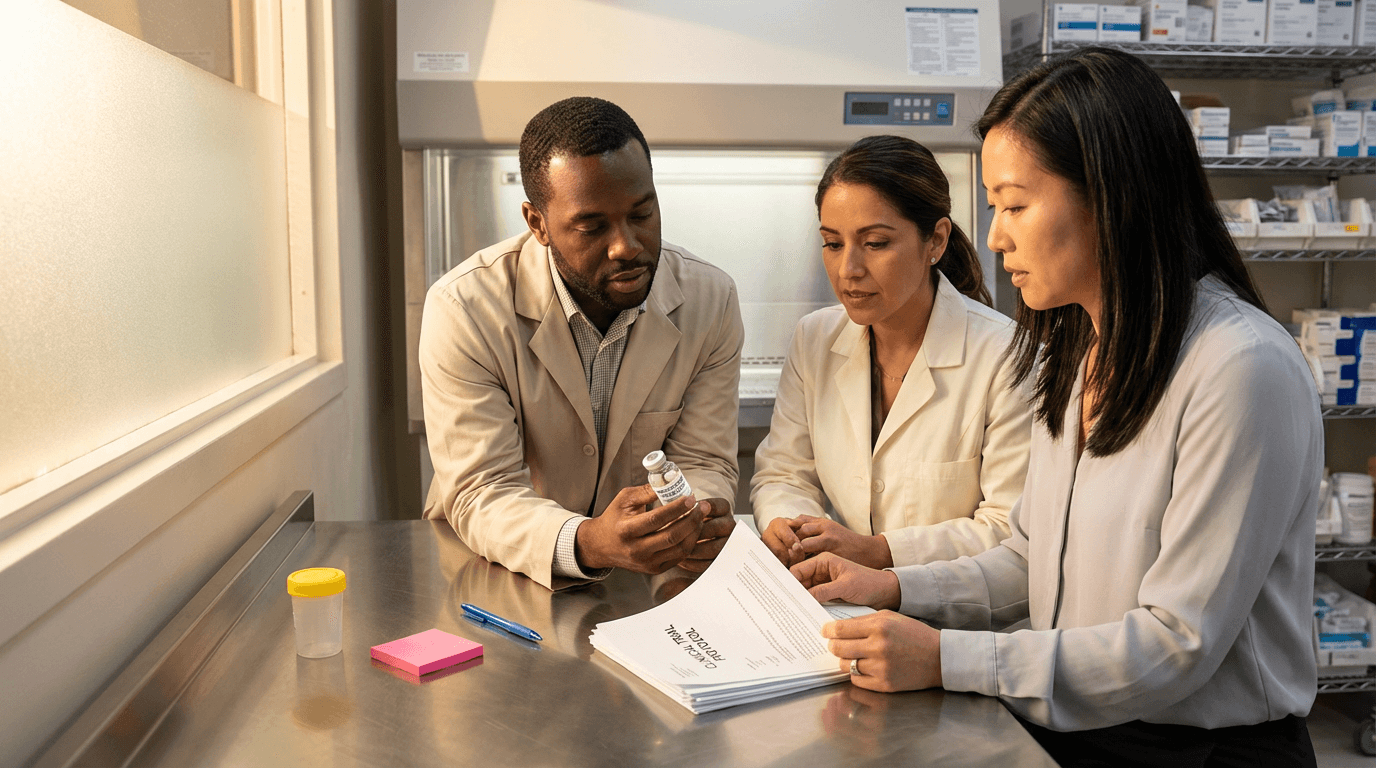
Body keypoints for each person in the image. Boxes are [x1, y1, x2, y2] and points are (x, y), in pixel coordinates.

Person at [792, 48, 1322, 766]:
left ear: (1112, 195)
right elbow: (1033, 559)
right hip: (1078, 723)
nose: (996, 234)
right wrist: (892, 585)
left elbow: (1176, 644)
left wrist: (949, 658)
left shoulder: (1239, 369)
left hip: (1200, 750)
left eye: (1015, 204)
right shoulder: (1083, 352)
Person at [420, 97, 742, 590]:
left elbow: (702, 459)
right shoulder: (465, 308)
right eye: (592, 227)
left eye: (642, 214)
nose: (627, 246)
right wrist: (587, 540)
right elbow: (482, 490)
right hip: (498, 570)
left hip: (645, 582)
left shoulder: (709, 299)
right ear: (538, 223)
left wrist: (693, 515)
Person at [751, 135, 1031, 570]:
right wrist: (791, 527)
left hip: (958, 623)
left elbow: (1009, 529)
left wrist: (879, 552)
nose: (849, 270)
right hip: (840, 603)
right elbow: (783, 472)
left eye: (876, 243)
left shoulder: (1006, 357)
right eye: (833, 243)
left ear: (935, 241)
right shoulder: (815, 338)